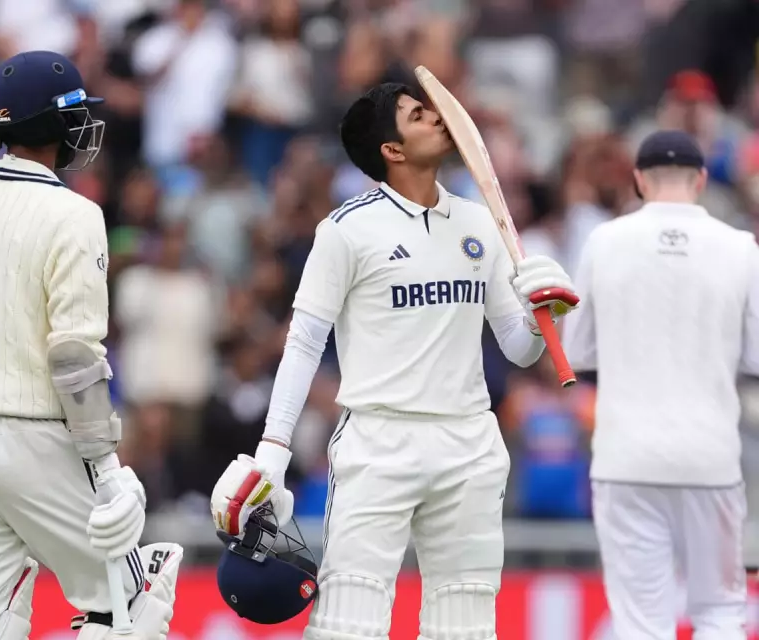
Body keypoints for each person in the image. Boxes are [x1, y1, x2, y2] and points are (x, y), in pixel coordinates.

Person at [210, 82, 579, 639]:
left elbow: (519, 347)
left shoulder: (479, 222)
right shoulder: (345, 230)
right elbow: (305, 341)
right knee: (348, 623)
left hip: (469, 441)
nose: (437, 118)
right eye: (416, 114)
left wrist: (546, 311)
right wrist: (273, 451)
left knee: (466, 624)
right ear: (392, 149)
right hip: (379, 440)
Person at [0, 51, 181, 640]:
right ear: (59, 123)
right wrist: (107, 469)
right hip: (33, 436)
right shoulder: (75, 212)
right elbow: (74, 356)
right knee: (133, 607)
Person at [562, 129, 756, 639]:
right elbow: (757, 356)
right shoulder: (741, 248)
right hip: (709, 456)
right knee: (719, 612)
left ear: (639, 180)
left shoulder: (604, 240)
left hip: (627, 455)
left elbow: (577, 352)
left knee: (640, 622)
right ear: (702, 180)